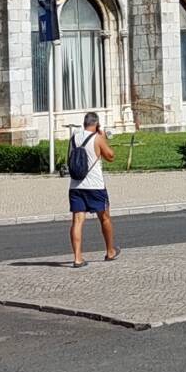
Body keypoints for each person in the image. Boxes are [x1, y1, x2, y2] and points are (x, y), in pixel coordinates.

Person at [66, 109, 117, 266]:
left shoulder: (73, 138)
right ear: (96, 124)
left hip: (75, 185)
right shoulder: (97, 138)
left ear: (84, 123)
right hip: (95, 185)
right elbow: (111, 156)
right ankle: (110, 251)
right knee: (104, 218)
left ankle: (77, 258)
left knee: (77, 221)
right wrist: (102, 138)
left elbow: (70, 158)